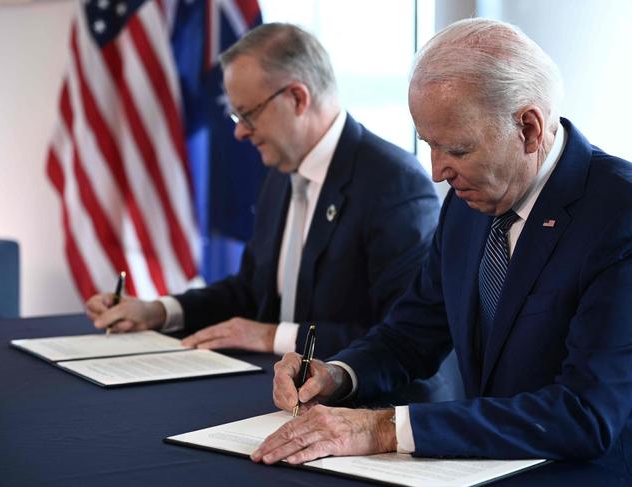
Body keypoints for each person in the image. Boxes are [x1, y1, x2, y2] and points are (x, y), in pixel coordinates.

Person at [256, 18, 632, 470]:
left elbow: (585, 414)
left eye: (456, 149)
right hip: (476, 468)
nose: (438, 172)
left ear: (529, 129)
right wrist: (338, 375)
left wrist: (382, 428)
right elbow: (411, 334)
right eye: (429, 145)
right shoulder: (470, 201)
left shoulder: (618, 215)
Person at [86, 23, 440, 360]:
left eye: (247, 115)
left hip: (365, 407)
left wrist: (272, 336)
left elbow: (403, 338)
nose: (240, 133)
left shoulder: (394, 184)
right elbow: (250, 291)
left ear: (297, 98)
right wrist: (159, 311)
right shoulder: (281, 171)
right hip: (276, 386)